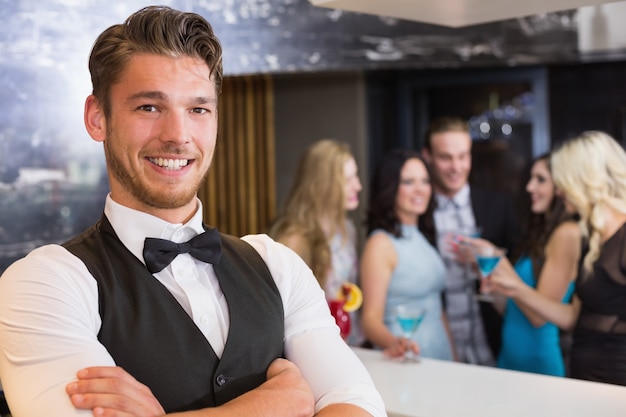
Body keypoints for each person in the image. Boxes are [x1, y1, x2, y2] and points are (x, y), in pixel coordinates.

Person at [0, 6, 386, 417]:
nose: (177, 135)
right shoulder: (44, 283)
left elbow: (358, 406)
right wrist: (270, 406)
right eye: (149, 107)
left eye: (198, 109)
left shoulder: (278, 265)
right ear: (98, 118)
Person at [488, 131, 626, 386]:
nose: (559, 191)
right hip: (584, 378)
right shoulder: (590, 238)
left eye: (561, 180)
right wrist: (514, 287)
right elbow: (573, 318)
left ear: (583, 179)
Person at [421, 116, 520, 365]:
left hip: (494, 342)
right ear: (428, 157)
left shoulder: (499, 205)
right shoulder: (418, 213)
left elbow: (520, 269)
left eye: (463, 156)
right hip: (438, 346)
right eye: (446, 157)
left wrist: (490, 262)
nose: (457, 166)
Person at [481, 153, 581, 376]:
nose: (529, 187)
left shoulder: (567, 233)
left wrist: (498, 262)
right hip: (509, 357)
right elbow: (513, 308)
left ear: (561, 186)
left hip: (537, 362)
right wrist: (493, 286)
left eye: (540, 179)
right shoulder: (540, 233)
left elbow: (538, 318)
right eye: (530, 178)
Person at [360, 149, 455, 361]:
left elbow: (437, 308)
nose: (420, 189)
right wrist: (396, 344)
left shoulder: (424, 237)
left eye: (425, 181)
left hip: (441, 354)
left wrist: (454, 357)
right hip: (406, 357)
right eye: (409, 182)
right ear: (391, 187)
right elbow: (370, 320)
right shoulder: (380, 244)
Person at [270, 139, 363, 344]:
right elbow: (282, 312)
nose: (358, 186)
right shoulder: (294, 239)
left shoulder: (346, 229)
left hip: (350, 342)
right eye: (347, 180)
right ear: (323, 185)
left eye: (355, 176)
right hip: (314, 346)